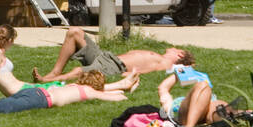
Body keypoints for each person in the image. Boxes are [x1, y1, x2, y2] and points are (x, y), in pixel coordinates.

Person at [0, 25, 140, 99]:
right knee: (72, 88)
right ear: (7, 40)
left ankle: (119, 87)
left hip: (26, 88)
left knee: (71, 88)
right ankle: (119, 87)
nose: (13, 44)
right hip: (24, 91)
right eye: (12, 41)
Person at [0, 69, 128, 121]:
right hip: (40, 100)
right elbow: (111, 96)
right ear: (96, 86)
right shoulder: (91, 92)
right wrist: (122, 95)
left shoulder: (77, 85)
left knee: (2, 102)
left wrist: (119, 87)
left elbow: (108, 91)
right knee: (0, 108)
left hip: (36, 92)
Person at [33, 28, 192, 82]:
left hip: (114, 65)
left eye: (176, 49)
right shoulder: (159, 57)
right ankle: (56, 72)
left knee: (79, 71)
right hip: (106, 56)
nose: (172, 47)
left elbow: (148, 72)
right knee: (74, 32)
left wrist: (130, 74)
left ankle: (47, 81)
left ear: (179, 55)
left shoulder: (165, 63)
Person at [158, 60, 217, 127]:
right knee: (203, 85)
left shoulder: (203, 95)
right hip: (184, 117)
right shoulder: (171, 104)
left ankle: (226, 122)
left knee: (219, 105)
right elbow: (163, 88)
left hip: (208, 112)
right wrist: (180, 73)